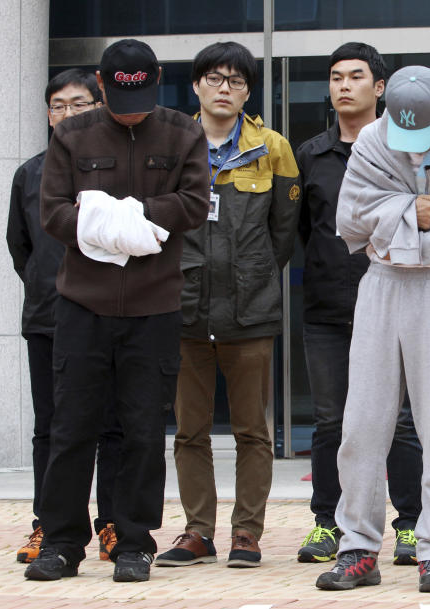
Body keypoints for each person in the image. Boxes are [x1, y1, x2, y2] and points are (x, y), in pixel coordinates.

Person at [25, 38, 210, 583]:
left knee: (142, 429)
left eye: (144, 94)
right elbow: (53, 213)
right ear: (102, 86)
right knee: (72, 426)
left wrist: (126, 219)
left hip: (154, 304)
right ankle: (60, 541)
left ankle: (134, 540)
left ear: (156, 78)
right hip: (82, 303)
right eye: (122, 96)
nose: (134, 108)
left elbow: (195, 204)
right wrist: (111, 233)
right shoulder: (71, 134)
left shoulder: (183, 131)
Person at [314, 65, 430, 594]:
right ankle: (357, 548)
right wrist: (409, 213)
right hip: (382, 284)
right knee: (361, 425)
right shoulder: (374, 138)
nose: (411, 146)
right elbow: (349, 221)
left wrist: (399, 236)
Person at [153, 41, 299, 570]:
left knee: (252, 431)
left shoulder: (273, 148)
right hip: (183, 308)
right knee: (189, 431)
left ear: (247, 91)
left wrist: (253, 275)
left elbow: (284, 235)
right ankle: (197, 532)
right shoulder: (171, 146)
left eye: (235, 81)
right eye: (214, 79)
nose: (224, 89)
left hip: (250, 310)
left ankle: (246, 534)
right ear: (195, 86)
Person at [293, 41, 424, 567]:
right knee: (331, 422)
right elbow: (306, 231)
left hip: (397, 303)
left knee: (403, 423)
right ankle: (328, 523)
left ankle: (410, 525)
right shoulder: (311, 155)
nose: (343, 85)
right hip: (328, 308)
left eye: (355, 76)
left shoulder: (406, 148)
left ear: (380, 87)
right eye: (335, 77)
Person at [7, 68, 123, 566]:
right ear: (48, 114)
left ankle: (113, 523)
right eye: (59, 105)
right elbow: (22, 247)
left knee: (112, 426)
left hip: (113, 315)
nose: (68, 113)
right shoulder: (29, 173)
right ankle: (47, 524)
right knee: (51, 429)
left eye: (79, 104)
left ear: (99, 106)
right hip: (49, 318)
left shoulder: (120, 167)